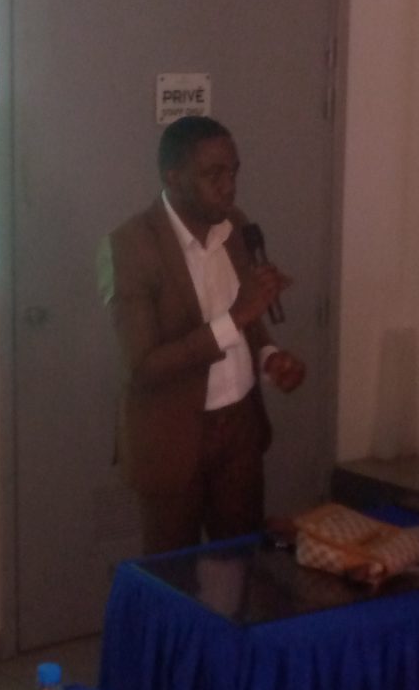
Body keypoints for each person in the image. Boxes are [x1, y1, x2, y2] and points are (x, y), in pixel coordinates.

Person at [97, 115, 305, 554]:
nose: (229, 187)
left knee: (244, 563)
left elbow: (246, 319)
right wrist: (239, 315)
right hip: (172, 437)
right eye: (214, 174)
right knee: (174, 575)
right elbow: (142, 366)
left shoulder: (235, 227)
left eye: (234, 172)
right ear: (173, 177)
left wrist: (269, 356)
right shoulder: (129, 246)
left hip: (240, 428)